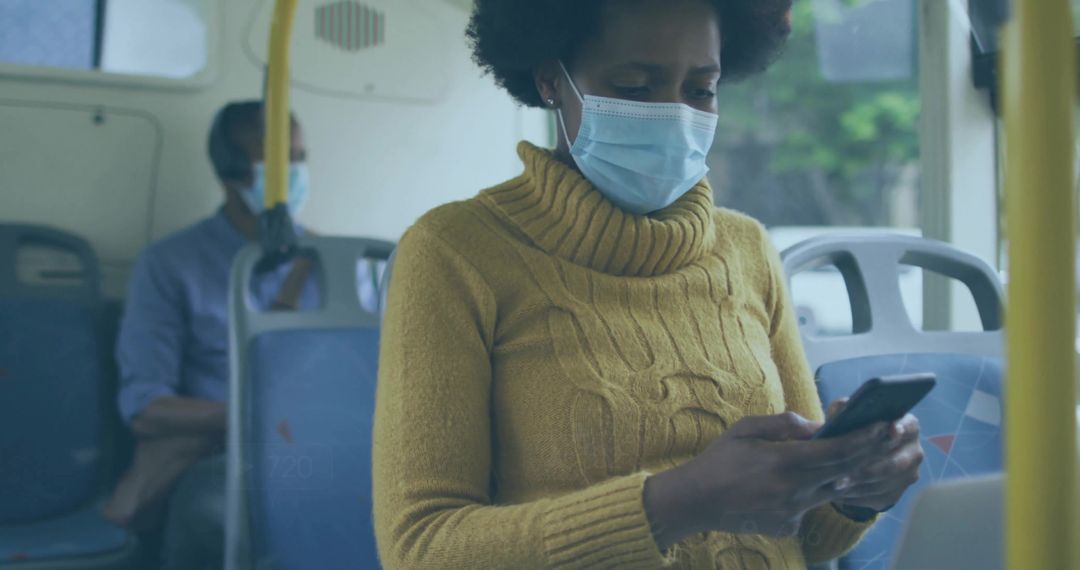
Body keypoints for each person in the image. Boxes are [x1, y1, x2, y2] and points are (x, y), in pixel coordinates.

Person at [372, 1, 925, 569]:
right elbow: (421, 549)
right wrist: (681, 502)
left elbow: (809, 535)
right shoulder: (456, 253)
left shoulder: (747, 249)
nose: (675, 114)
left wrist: (857, 487)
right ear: (550, 82)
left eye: (702, 90)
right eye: (635, 87)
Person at [108, 100, 378, 569]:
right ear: (231, 171)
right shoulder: (171, 265)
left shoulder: (337, 265)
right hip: (232, 454)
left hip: (328, 450)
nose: (293, 172)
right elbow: (146, 407)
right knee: (215, 515)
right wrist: (254, 418)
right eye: (276, 162)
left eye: (299, 159)